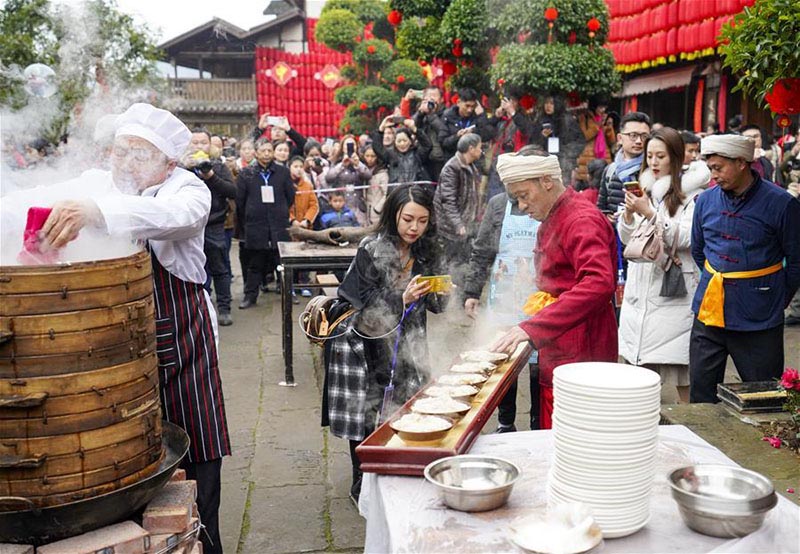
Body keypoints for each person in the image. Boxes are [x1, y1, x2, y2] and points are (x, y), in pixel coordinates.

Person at [38, 103, 230, 554]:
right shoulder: (100, 183)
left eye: (139, 154)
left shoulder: (188, 190)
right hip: (116, 344)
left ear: (169, 162)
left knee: (197, 444)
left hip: (183, 343)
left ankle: (206, 539)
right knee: (125, 447)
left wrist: (96, 213)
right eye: (120, 151)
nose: (125, 162)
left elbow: (173, 218)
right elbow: (41, 191)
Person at [321, 183, 447, 503]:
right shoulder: (371, 248)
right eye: (407, 219)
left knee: (408, 404)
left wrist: (442, 293)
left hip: (411, 341)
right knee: (366, 413)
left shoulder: (428, 251)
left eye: (422, 220)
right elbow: (359, 301)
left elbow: (435, 307)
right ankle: (361, 480)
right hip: (368, 343)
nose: (414, 228)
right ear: (393, 215)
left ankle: (400, 470)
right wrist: (399, 298)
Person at [489, 150, 618, 429]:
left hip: (582, 343)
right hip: (561, 339)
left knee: (574, 428)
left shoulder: (580, 218)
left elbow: (598, 283)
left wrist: (532, 328)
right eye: (517, 198)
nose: (522, 206)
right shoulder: (552, 215)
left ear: (547, 180)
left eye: (524, 195)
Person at [688, 134, 800, 403]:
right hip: (709, 310)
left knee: (764, 396)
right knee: (702, 392)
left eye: (719, 168)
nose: (713, 176)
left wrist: (773, 297)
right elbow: (698, 250)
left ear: (741, 163)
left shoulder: (781, 203)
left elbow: (796, 261)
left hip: (759, 314)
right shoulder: (705, 201)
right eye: (710, 168)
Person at [617, 128, 710, 403]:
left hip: (673, 295)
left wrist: (649, 213)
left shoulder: (694, 196)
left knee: (683, 379)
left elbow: (687, 237)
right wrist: (629, 216)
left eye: (661, 156)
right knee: (638, 384)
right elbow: (628, 239)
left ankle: (695, 434)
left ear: (677, 158)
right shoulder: (646, 190)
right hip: (639, 294)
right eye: (650, 156)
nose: (654, 162)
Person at [464, 146, 546, 432]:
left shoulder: (548, 206)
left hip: (540, 300)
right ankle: (505, 422)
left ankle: (539, 423)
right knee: (504, 364)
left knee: (539, 367)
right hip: (503, 298)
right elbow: (483, 249)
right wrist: (472, 291)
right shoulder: (499, 205)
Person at [183, 128, 237, 327]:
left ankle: (224, 308)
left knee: (220, 268)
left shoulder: (218, 167)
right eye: (194, 142)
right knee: (193, 270)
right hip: (189, 227)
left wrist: (211, 176)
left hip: (214, 225)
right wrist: (186, 169)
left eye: (203, 142)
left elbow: (233, 192)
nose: (198, 146)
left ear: (210, 145)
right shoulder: (180, 167)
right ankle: (199, 309)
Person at [236, 138, 295, 309]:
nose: (267, 154)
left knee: (283, 262)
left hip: (278, 223)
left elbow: (290, 196)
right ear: (256, 152)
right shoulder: (246, 173)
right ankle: (250, 296)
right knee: (255, 263)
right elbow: (240, 201)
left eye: (270, 150)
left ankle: (288, 294)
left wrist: (281, 210)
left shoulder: (283, 172)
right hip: (256, 225)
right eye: (263, 151)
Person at [433, 133, 483, 288]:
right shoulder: (452, 167)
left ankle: (461, 295)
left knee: (464, 262)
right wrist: (458, 224)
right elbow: (447, 200)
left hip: (466, 226)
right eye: (480, 147)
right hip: (451, 229)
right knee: (452, 264)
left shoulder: (471, 167)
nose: (481, 151)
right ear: (471, 148)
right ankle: (449, 299)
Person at [597, 111, 651, 218]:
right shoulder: (610, 171)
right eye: (633, 135)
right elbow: (601, 208)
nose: (639, 141)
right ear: (620, 139)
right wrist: (607, 217)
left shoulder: (652, 169)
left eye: (644, 136)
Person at [371, 116, 432, 185]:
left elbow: (427, 145)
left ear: (410, 142)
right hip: (397, 191)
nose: (402, 144)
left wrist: (415, 129)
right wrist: (381, 129)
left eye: (405, 140)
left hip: (415, 190)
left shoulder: (417, 154)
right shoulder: (391, 155)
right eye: (399, 141)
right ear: (395, 143)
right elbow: (377, 147)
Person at [437, 87, 493, 160]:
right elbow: (443, 142)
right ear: (458, 102)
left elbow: (488, 134)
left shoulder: (478, 116)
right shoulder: (448, 116)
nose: (470, 110)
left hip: (474, 161)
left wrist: (481, 116)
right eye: (467, 106)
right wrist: (457, 136)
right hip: (453, 160)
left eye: (473, 106)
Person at [325, 135, 371, 224]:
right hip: (341, 203)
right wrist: (342, 165)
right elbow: (329, 177)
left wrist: (358, 164)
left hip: (357, 204)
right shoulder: (336, 160)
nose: (350, 147)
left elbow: (368, 175)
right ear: (342, 147)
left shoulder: (360, 160)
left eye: (352, 144)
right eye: (347, 145)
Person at [362, 144, 389, 226]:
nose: (370, 159)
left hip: (376, 210)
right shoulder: (362, 170)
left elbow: (386, 193)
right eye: (367, 156)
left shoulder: (382, 173)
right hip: (365, 208)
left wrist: (377, 209)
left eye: (373, 156)